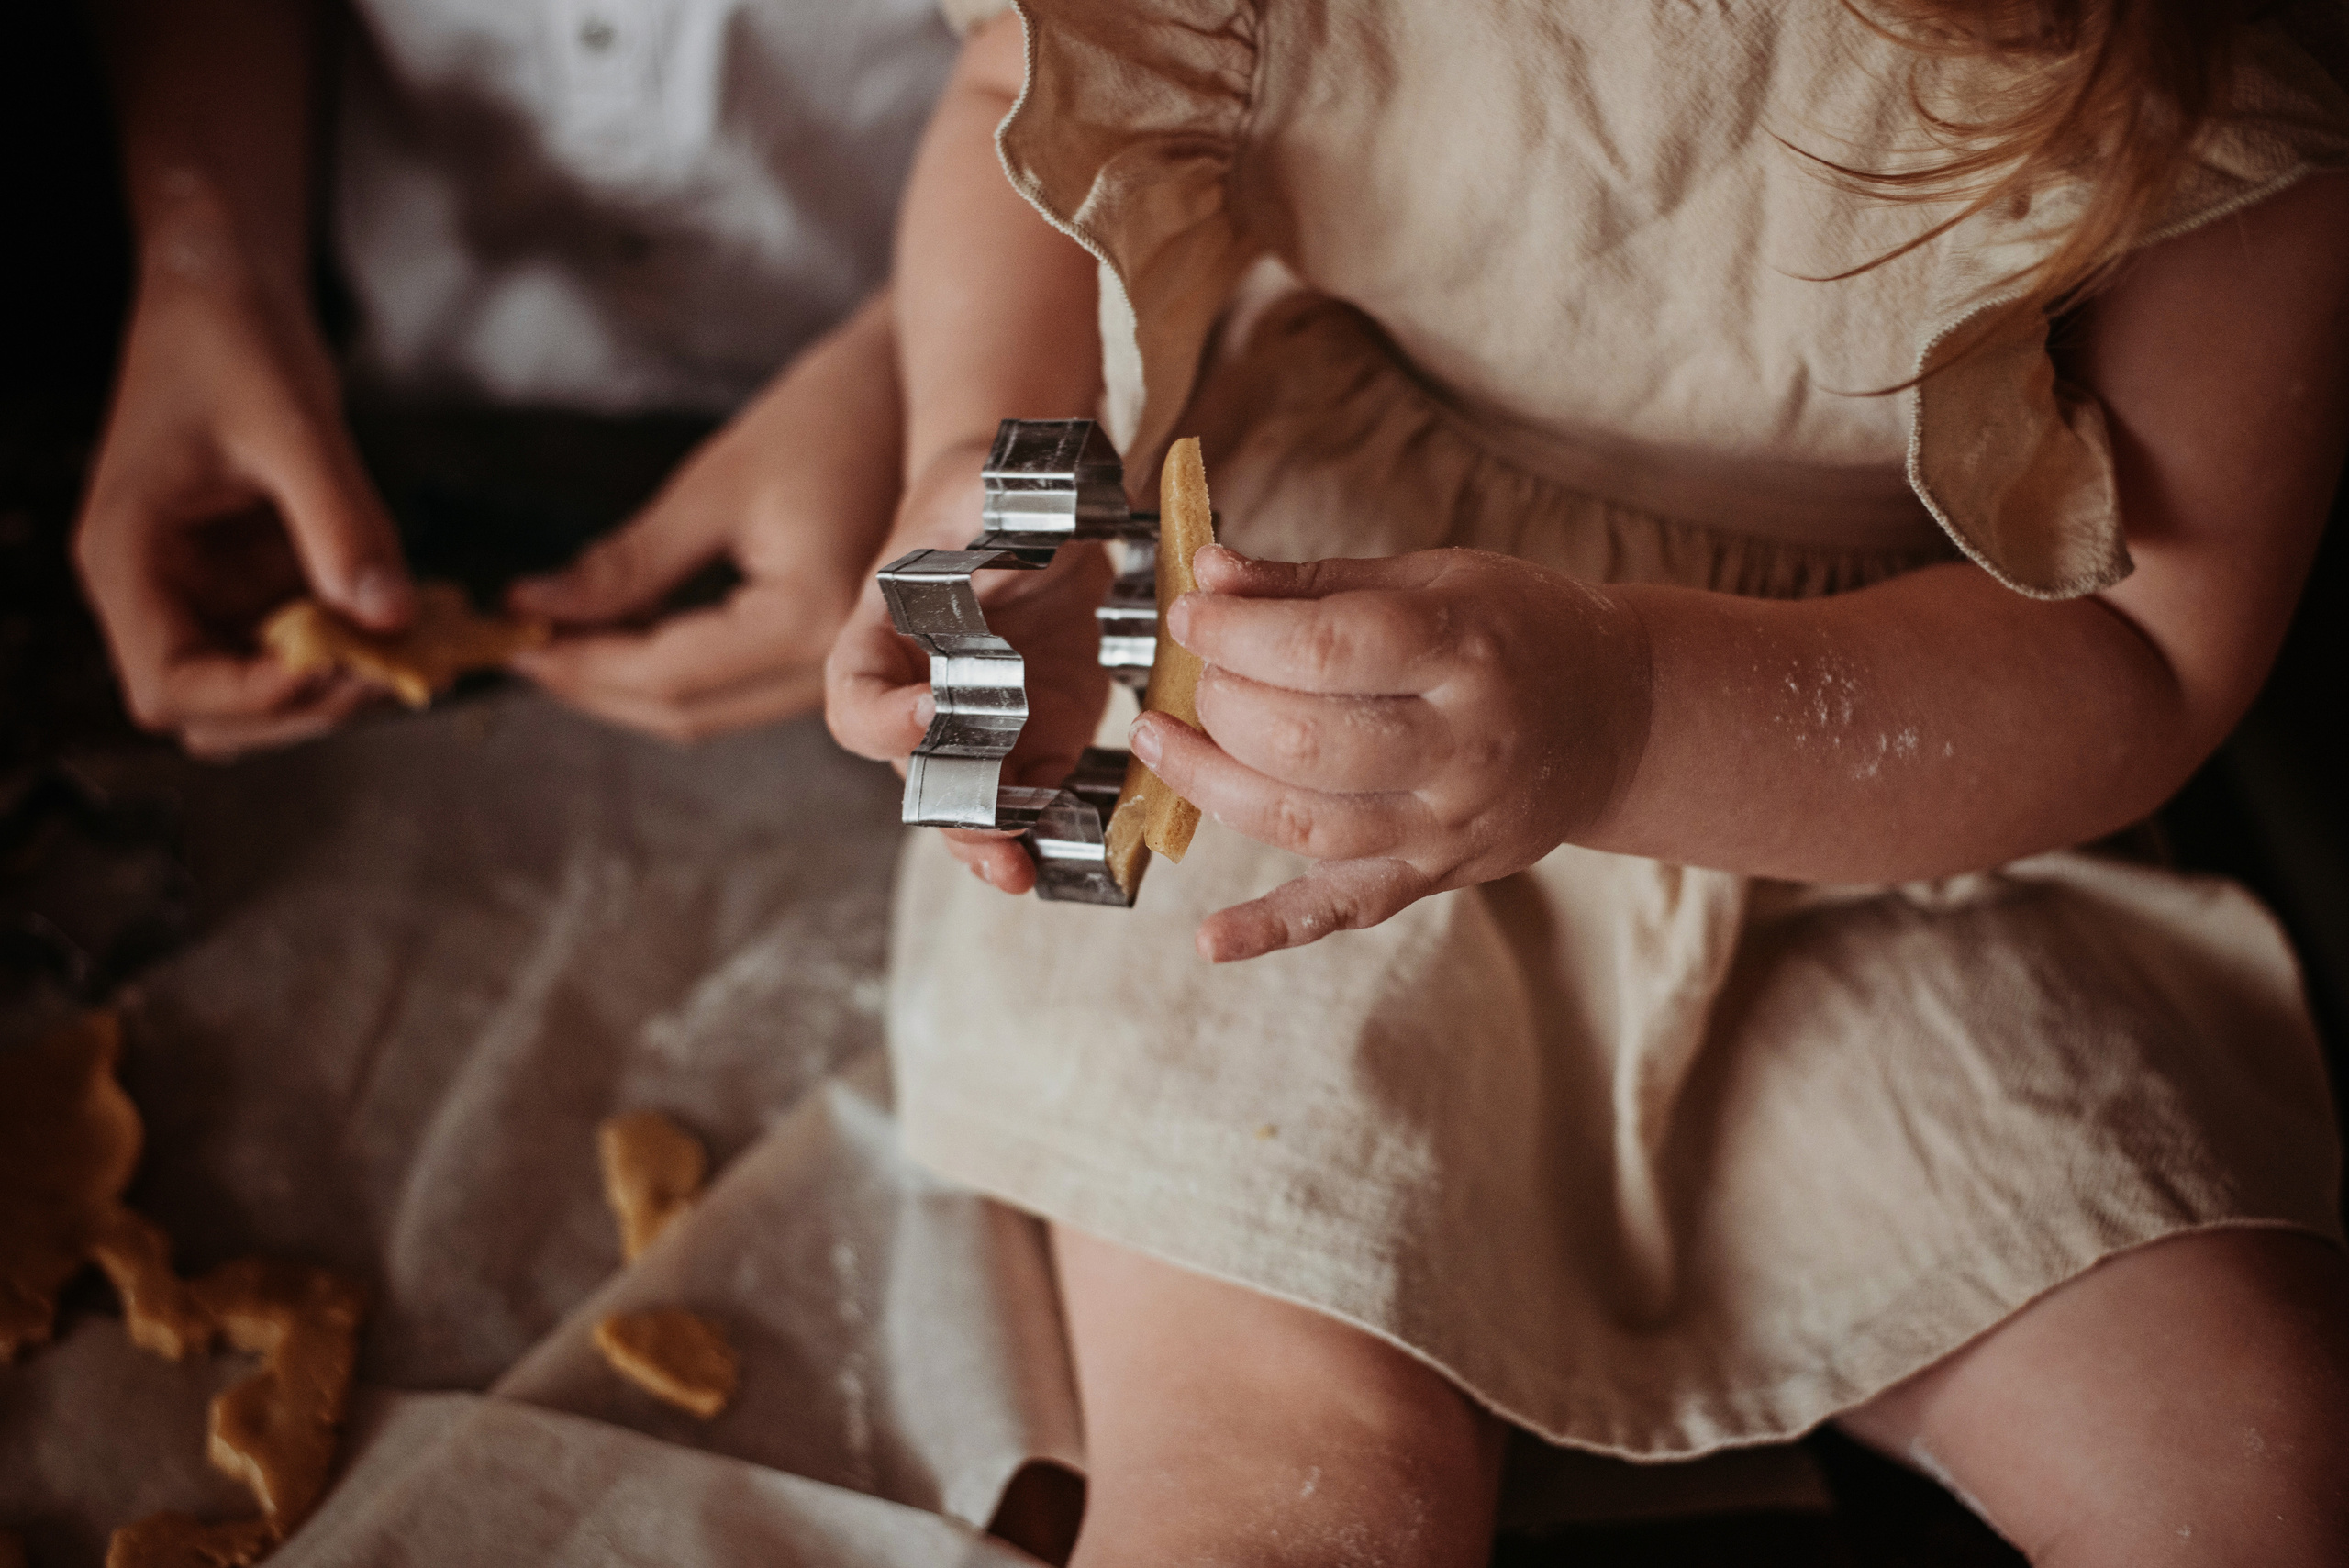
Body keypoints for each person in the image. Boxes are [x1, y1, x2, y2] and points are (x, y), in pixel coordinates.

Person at [827, 2, 2349, 1562]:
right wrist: (982, 463)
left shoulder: (2203, 57)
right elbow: (1019, 85)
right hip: (1290, 720)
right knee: (1291, 1483)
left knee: (2256, 1452)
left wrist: (1629, 716)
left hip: (1885, 762)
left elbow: (2139, 648)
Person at [73, 0, 957, 757]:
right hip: (421, 408)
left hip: (947, 404)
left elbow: (1073, 65)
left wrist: (927, 361)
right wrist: (212, 263)